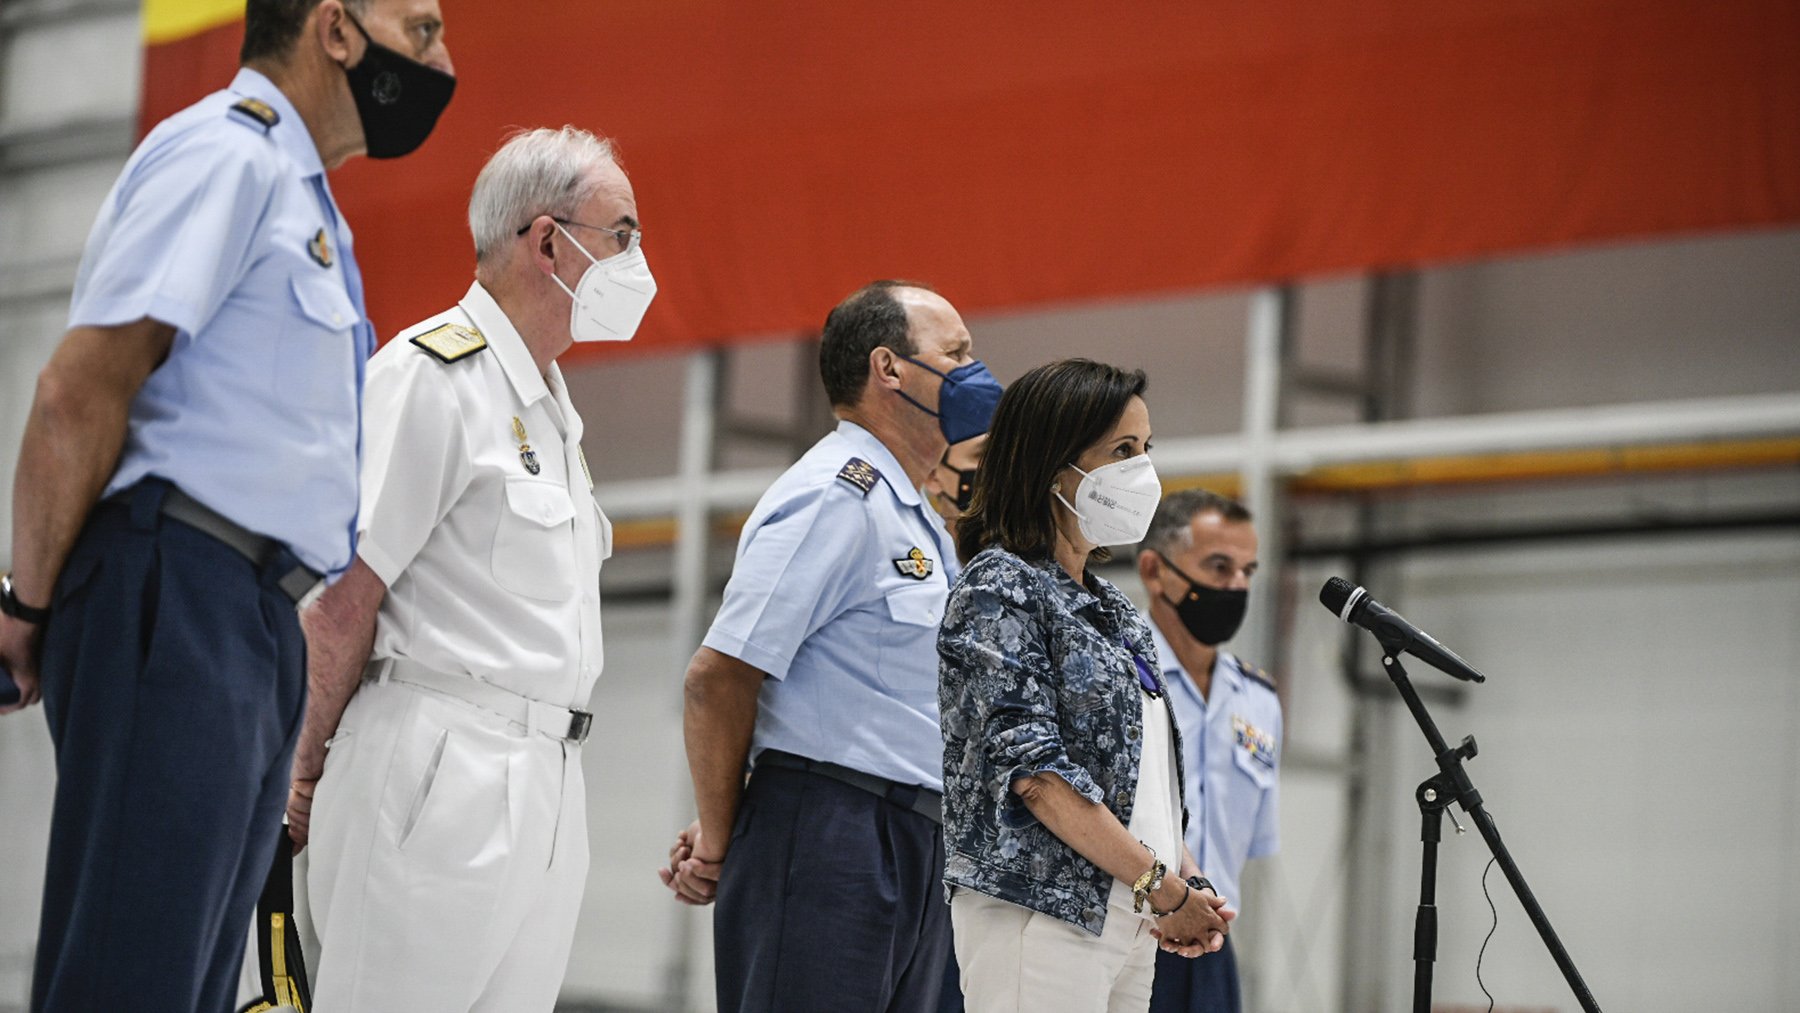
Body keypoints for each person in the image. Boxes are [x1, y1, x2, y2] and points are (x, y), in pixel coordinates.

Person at [0, 1, 453, 1008]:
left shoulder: (306, 202)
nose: (442, 61)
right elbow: (78, 390)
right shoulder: (229, 158)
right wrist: (25, 605)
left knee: (193, 977)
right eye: (422, 32)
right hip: (176, 585)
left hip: (253, 612)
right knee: (133, 967)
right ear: (335, 29)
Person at [281, 125, 650, 1010]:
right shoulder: (430, 376)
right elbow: (341, 597)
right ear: (549, 241)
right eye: (623, 235)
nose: (638, 262)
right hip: (438, 761)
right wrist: (297, 770)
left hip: (552, 777)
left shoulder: (555, 412)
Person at [659, 280, 1002, 1013]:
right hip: (834, 835)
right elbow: (719, 676)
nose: (977, 373)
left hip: (911, 837)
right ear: (890, 369)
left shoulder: (912, 515)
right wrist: (726, 838)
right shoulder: (835, 496)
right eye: (958, 353)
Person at [938, 359, 1233, 1013]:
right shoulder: (1001, 584)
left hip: (1126, 909)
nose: (1142, 470)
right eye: (1121, 450)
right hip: (1041, 906)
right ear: (1052, 464)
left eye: (1145, 448)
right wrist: (1161, 886)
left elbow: (1146, 774)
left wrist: (1187, 879)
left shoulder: (1114, 608)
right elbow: (1035, 774)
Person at [1139, 491, 1278, 1013]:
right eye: (1219, 567)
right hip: (1133, 934)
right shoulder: (1116, 674)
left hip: (1217, 946)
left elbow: (1252, 839)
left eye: (1247, 570)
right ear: (1155, 571)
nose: (1237, 586)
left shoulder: (1258, 701)